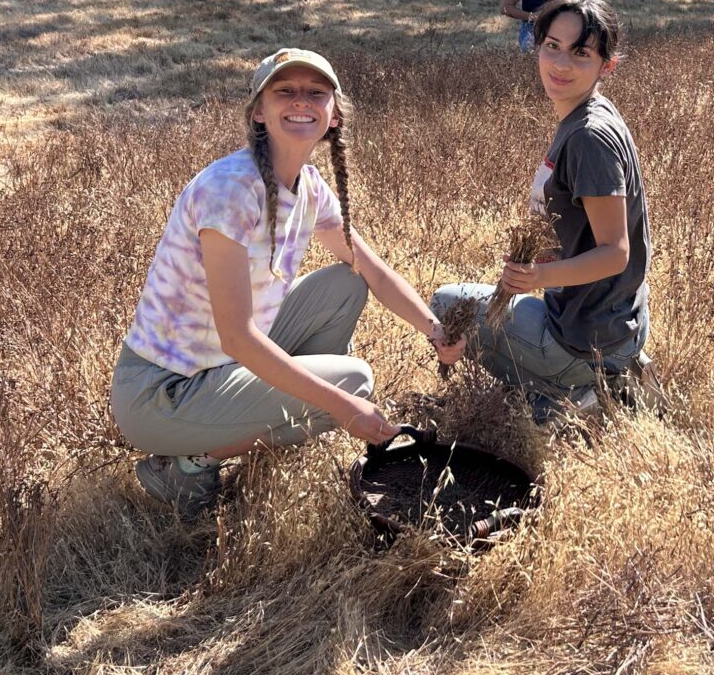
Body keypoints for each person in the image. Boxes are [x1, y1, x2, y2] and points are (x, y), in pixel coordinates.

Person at [111, 48, 464, 515]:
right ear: (259, 110)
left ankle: (269, 410)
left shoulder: (310, 187)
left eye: (316, 93)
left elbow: (372, 270)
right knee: (355, 382)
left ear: (333, 114)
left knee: (346, 284)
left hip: (217, 365)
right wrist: (341, 406)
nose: (301, 102)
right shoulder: (230, 190)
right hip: (160, 394)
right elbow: (237, 337)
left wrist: (434, 330)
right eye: (285, 91)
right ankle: (188, 465)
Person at [433, 0, 652, 421]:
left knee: (445, 304)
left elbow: (616, 252)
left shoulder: (589, 137)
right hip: (609, 322)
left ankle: (574, 393)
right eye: (552, 46)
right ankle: (602, 375)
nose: (561, 64)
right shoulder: (587, 114)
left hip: (584, 338)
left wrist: (539, 276)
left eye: (581, 53)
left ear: (607, 65)